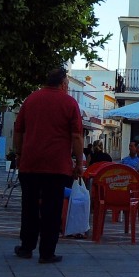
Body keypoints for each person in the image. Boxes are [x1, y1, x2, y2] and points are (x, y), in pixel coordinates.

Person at [13, 67, 84, 264]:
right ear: (63, 84)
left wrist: (19, 153)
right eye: (68, 85)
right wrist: (79, 162)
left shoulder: (31, 100)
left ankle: (26, 247)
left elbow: (18, 130)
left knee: (29, 206)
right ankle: (47, 252)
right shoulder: (69, 103)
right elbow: (77, 136)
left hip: (30, 164)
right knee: (52, 209)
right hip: (57, 166)